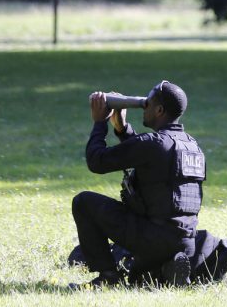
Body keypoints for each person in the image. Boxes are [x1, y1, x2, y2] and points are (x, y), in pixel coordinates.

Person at [70, 81, 205, 288]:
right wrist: (122, 129)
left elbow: (97, 161)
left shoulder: (154, 143)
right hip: (185, 243)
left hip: (153, 237)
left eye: (147, 103)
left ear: (159, 110)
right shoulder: (192, 146)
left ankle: (108, 277)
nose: (144, 106)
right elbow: (150, 157)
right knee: (142, 266)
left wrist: (99, 123)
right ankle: (164, 269)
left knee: (83, 202)